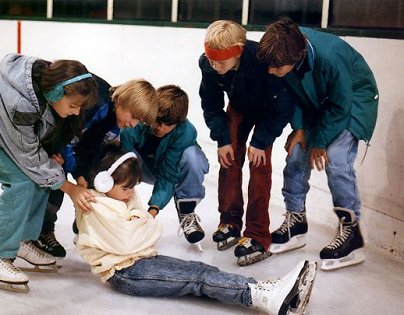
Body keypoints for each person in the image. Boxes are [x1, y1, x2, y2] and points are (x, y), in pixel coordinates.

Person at [75, 143, 317, 315]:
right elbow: (131, 240)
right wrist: (142, 224)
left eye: (132, 188)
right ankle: (264, 298)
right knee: (197, 279)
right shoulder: (96, 207)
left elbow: (146, 231)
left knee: (201, 269)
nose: (131, 194)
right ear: (104, 183)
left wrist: (138, 224)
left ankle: (263, 288)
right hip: (125, 273)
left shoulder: (123, 199)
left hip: (142, 259)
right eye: (126, 189)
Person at [0, 53, 98, 293]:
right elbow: (27, 156)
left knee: (42, 176)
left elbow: (37, 146)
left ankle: (22, 239)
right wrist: (69, 188)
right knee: (22, 181)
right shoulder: (19, 102)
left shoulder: (45, 88)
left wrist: (51, 159)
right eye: (74, 105)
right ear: (58, 93)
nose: (77, 112)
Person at [257, 19, 379, 270]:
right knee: (296, 153)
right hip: (319, 99)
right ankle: (296, 219)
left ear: (298, 56)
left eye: (276, 67)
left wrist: (321, 142)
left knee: (335, 158)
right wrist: (300, 129)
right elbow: (295, 93)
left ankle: (351, 230)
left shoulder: (331, 57)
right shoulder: (284, 51)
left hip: (353, 100)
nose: (270, 72)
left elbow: (340, 105)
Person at [199, 20, 295, 265]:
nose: (215, 65)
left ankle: (257, 234)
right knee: (228, 158)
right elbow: (211, 104)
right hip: (239, 107)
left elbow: (282, 107)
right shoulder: (208, 65)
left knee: (259, 166)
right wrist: (222, 139)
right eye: (211, 60)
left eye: (221, 61)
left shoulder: (264, 61)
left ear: (238, 50)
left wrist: (261, 141)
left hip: (268, 111)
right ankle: (230, 220)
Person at [34, 78, 158, 258]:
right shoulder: (95, 105)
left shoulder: (115, 121)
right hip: (54, 143)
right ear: (121, 102)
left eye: (139, 121)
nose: (133, 124)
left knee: (96, 182)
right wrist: (77, 173)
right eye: (133, 117)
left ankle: (88, 226)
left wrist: (84, 175)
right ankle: (42, 230)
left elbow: (94, 148)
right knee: (56, 182)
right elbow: (67, 138)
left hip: (75, 150)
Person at [119, 85, 209, 248]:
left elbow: (168, 174)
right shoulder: (138, 120)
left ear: (178, 122)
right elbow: (120, 162)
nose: (160, 128)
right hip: (140, 167)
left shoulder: (186, 132)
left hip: (171, 170)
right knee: (116, 145)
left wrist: (151, 212)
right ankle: (105, 211)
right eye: (157, 121)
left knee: (193, 157)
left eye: (168, 124)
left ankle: (186, 210)